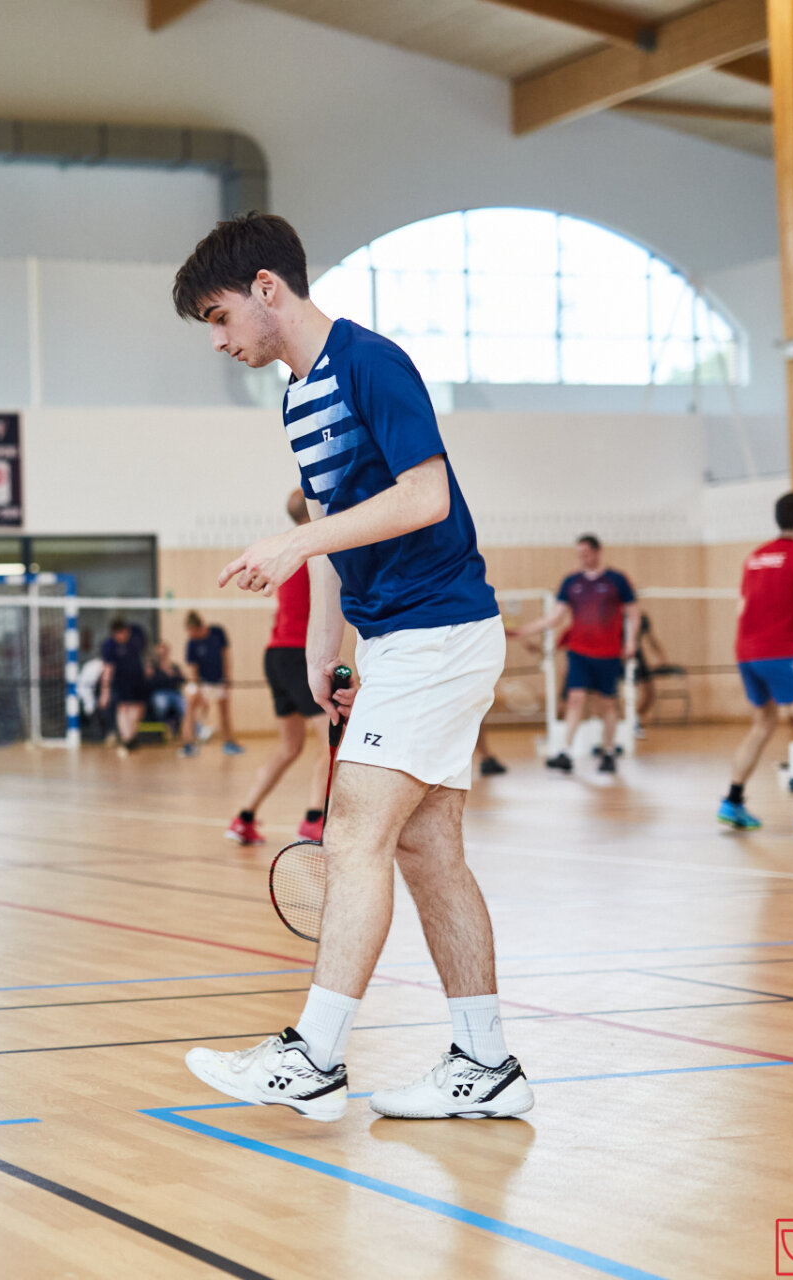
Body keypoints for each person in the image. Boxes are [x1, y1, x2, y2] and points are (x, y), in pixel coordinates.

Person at [175, 213, 531, 1121]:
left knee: (354, 835)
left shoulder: (372, 363)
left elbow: (425, 495)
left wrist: (296, 543)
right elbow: (339, 529)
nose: (219, 341)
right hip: (400, 640)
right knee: (428, 851)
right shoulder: (298, 397)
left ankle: (315, 1057)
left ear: (266, 288)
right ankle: (485, 1062)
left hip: (439, 630)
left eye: (219, 317)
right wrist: (322, 650)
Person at [718, 491, 793, 834]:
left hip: (746, 651)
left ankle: (732, 802)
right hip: (779, 652)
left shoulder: (755, 557)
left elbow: (742, 608)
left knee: (763, 724)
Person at [226, 489, 333, 845]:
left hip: (275, 654)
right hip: (297, 653)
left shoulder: (286, 548)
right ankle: (314, 819)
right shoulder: (313, 546)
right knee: (332, 741)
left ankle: (244, 818)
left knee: (290, 746)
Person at [512, 536, 638, 775]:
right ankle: (565, 753)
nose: (583, 558)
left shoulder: (617, 580)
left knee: (607, 704)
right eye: (579, 554)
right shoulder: (572, 582)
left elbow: (633, 614)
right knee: (575, 699)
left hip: (609, 653)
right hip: (579, 652)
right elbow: (554, 617)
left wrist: (631, 641)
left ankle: (608, 751)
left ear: (598, 551)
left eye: (586, 553)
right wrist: (523, 631)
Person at [180, 611, 241, 757]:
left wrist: (227, 678)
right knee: (190, 707)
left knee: (224, 710)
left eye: (191, 630)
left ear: (198, 627)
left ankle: (229, 743)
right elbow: (193, 668)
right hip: (202, 683)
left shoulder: (217, 632)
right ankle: (189, 744)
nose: (190, 634)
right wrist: (198, 689)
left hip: (220, 680)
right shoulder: (191, 643)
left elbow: (225, 656)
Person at [98, 617, 148, 753]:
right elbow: (107, 668)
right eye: (118, 634)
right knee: (123, 708)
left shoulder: (137, 634)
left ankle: (131, 736)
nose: (121, 637)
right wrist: (105, 691)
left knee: (137, 708)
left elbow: (146, 652)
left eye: (123, 633)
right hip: (121, 680)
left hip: (138, 679)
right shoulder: (109, 645)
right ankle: (127, 739)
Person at [632, 613, 671, 730]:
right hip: (618, 657)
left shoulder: (642, 618)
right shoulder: (618, 616)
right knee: (625, 694)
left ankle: (635, 719)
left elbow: (651, 639)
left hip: (637, 657)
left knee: (650, 693)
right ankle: (621, 723)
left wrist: (661, 656)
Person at [146, 642, 186, 737]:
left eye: (164, 652)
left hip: (175, 693)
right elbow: (152, 683)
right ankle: (164, 728)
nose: (162, 655)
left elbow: (182, 680)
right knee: (162, 705)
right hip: (160, 693)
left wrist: (174, 674)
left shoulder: (174, 666)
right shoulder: (154, 667)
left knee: (184, 706)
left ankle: (183, 728)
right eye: (160, 653)